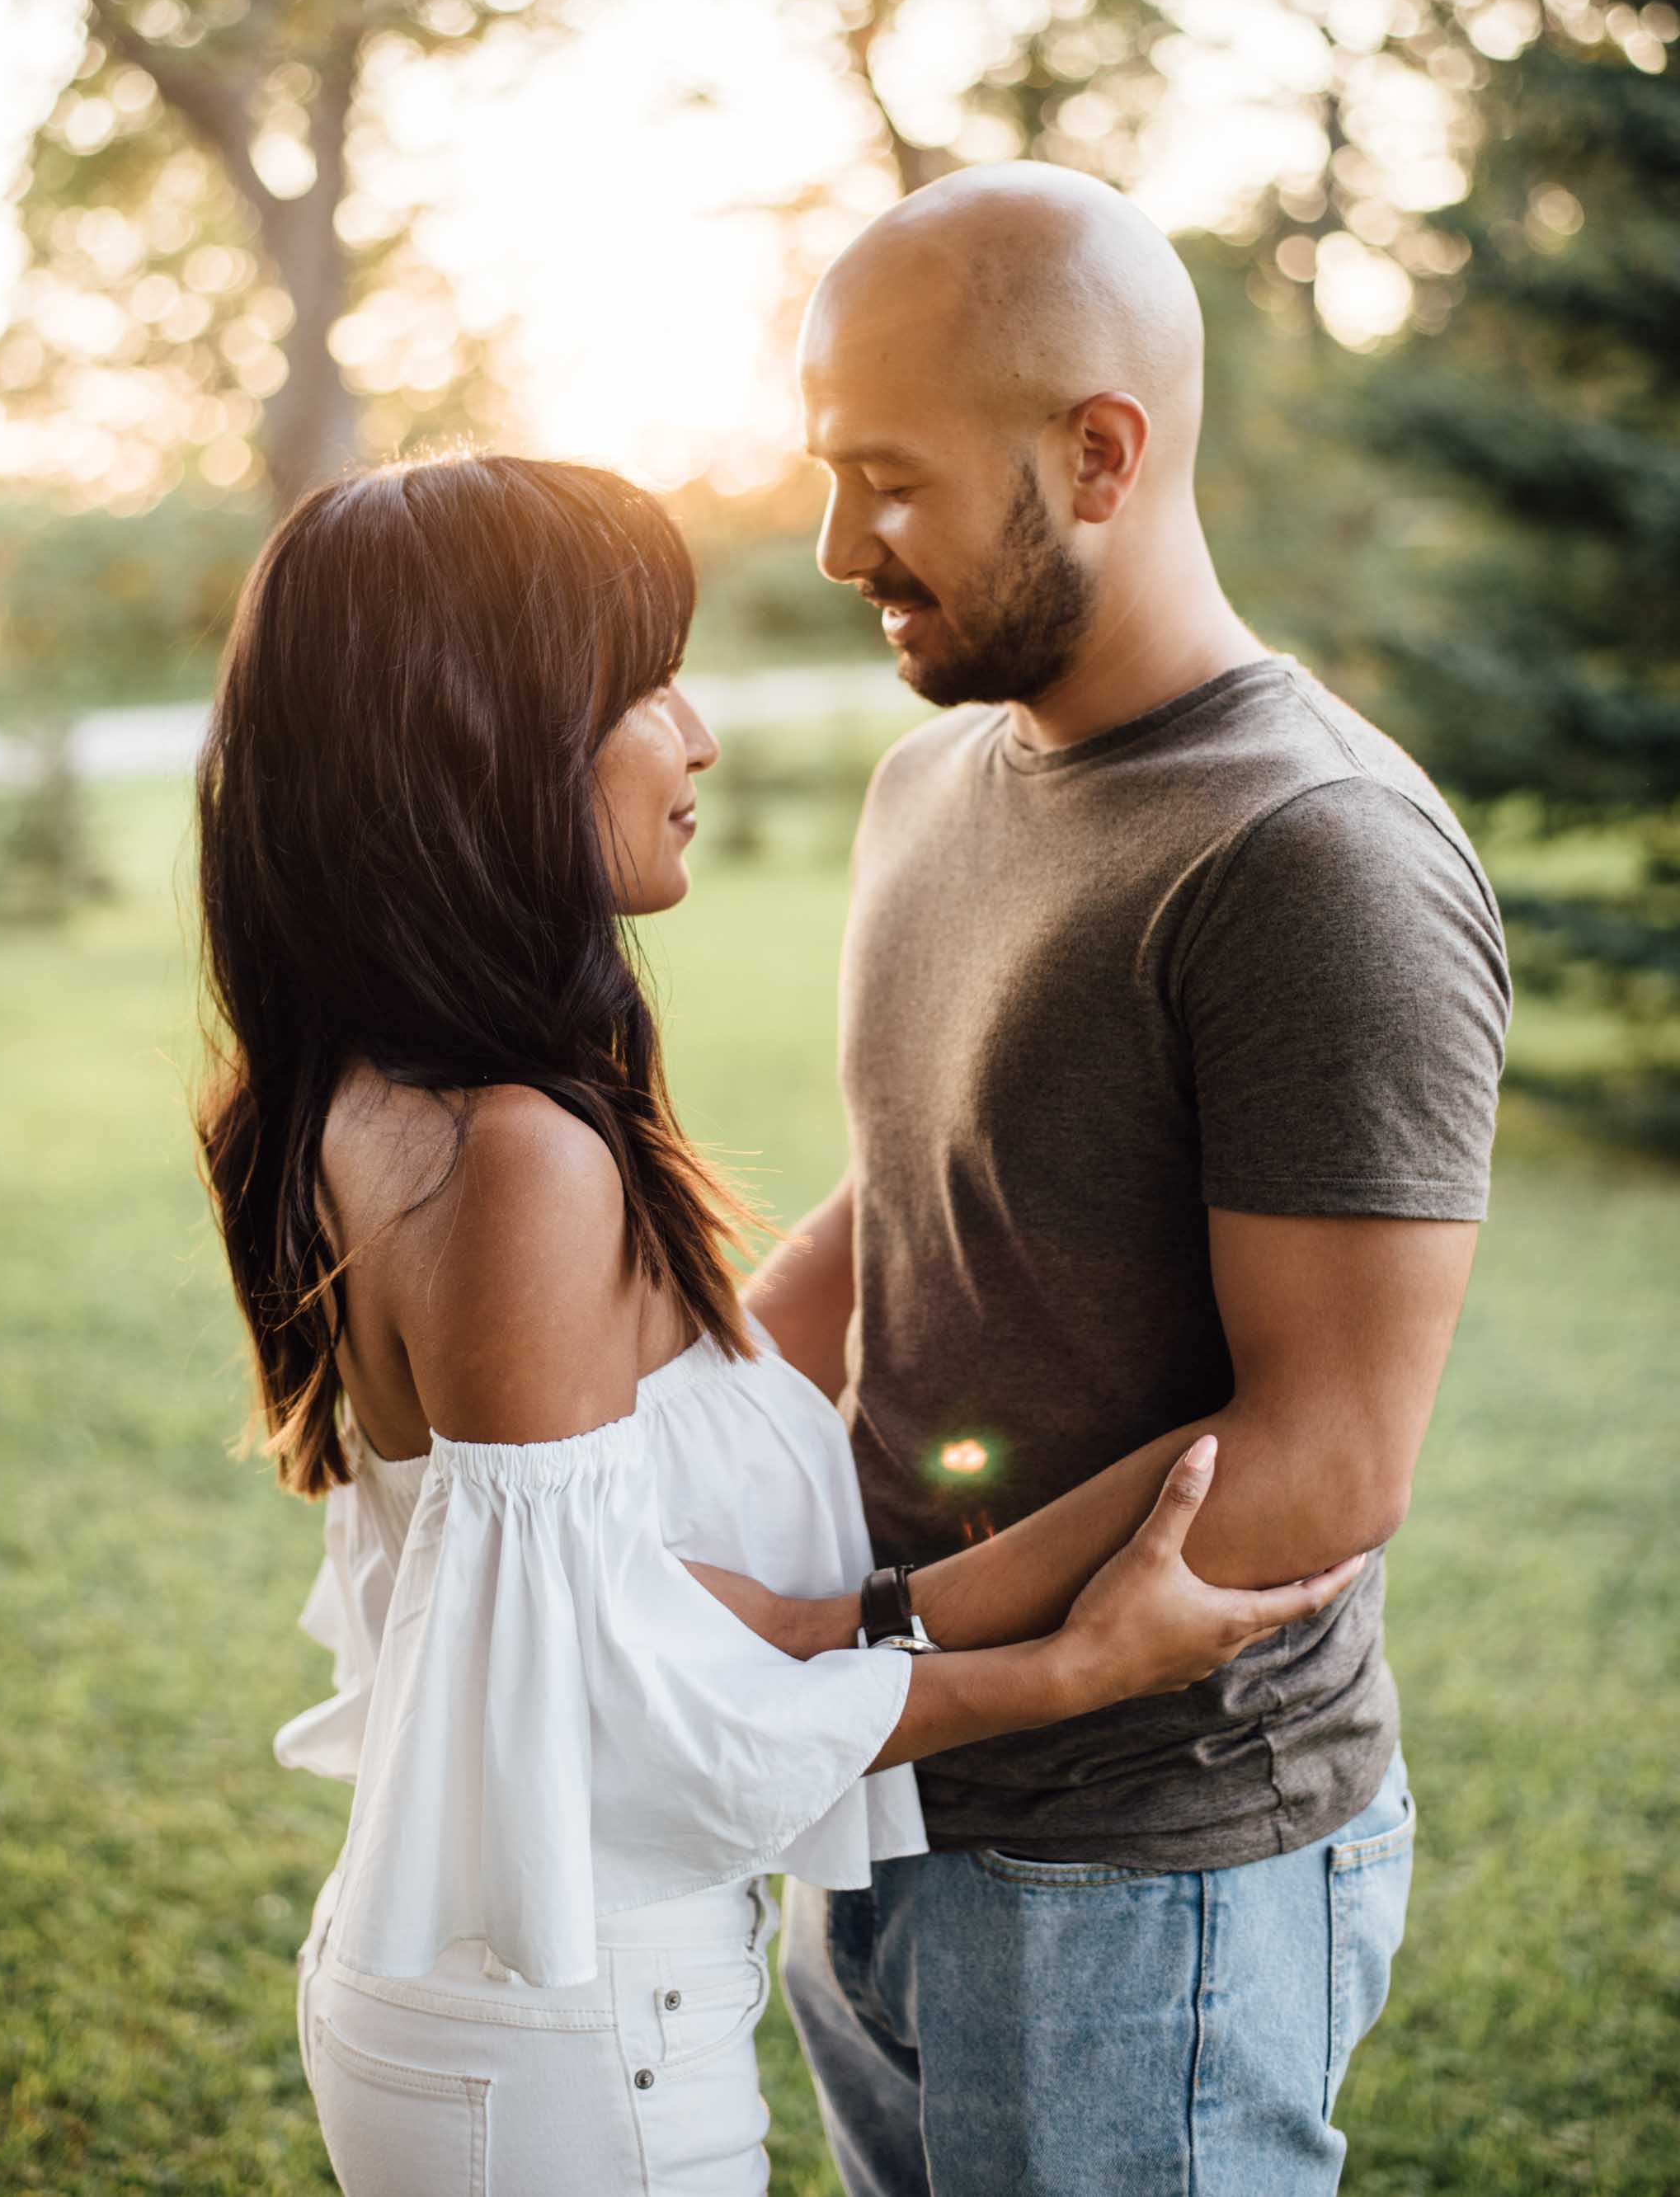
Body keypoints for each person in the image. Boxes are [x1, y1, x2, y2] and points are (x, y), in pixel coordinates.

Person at [195, 453, 1362, 2197]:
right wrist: (1062, 1670)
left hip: (506, 2009)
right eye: (642, 686)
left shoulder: (375, 1094)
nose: (698, 736)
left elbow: (638, 1483)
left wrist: (979, 1136)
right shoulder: (512, 1155)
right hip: (572, 2049)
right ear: (489, 747)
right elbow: (606, 1708)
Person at [755, 163, 1513, 2196]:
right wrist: (647, 1416)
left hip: (1146, 1878)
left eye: (887, 482)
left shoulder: (1314, 855)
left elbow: (1326, 1453)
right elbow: (925, 1188)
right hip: (891, 1804)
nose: (839, 546)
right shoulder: (937, 774)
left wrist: (870, 1633)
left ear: (1098, 454)